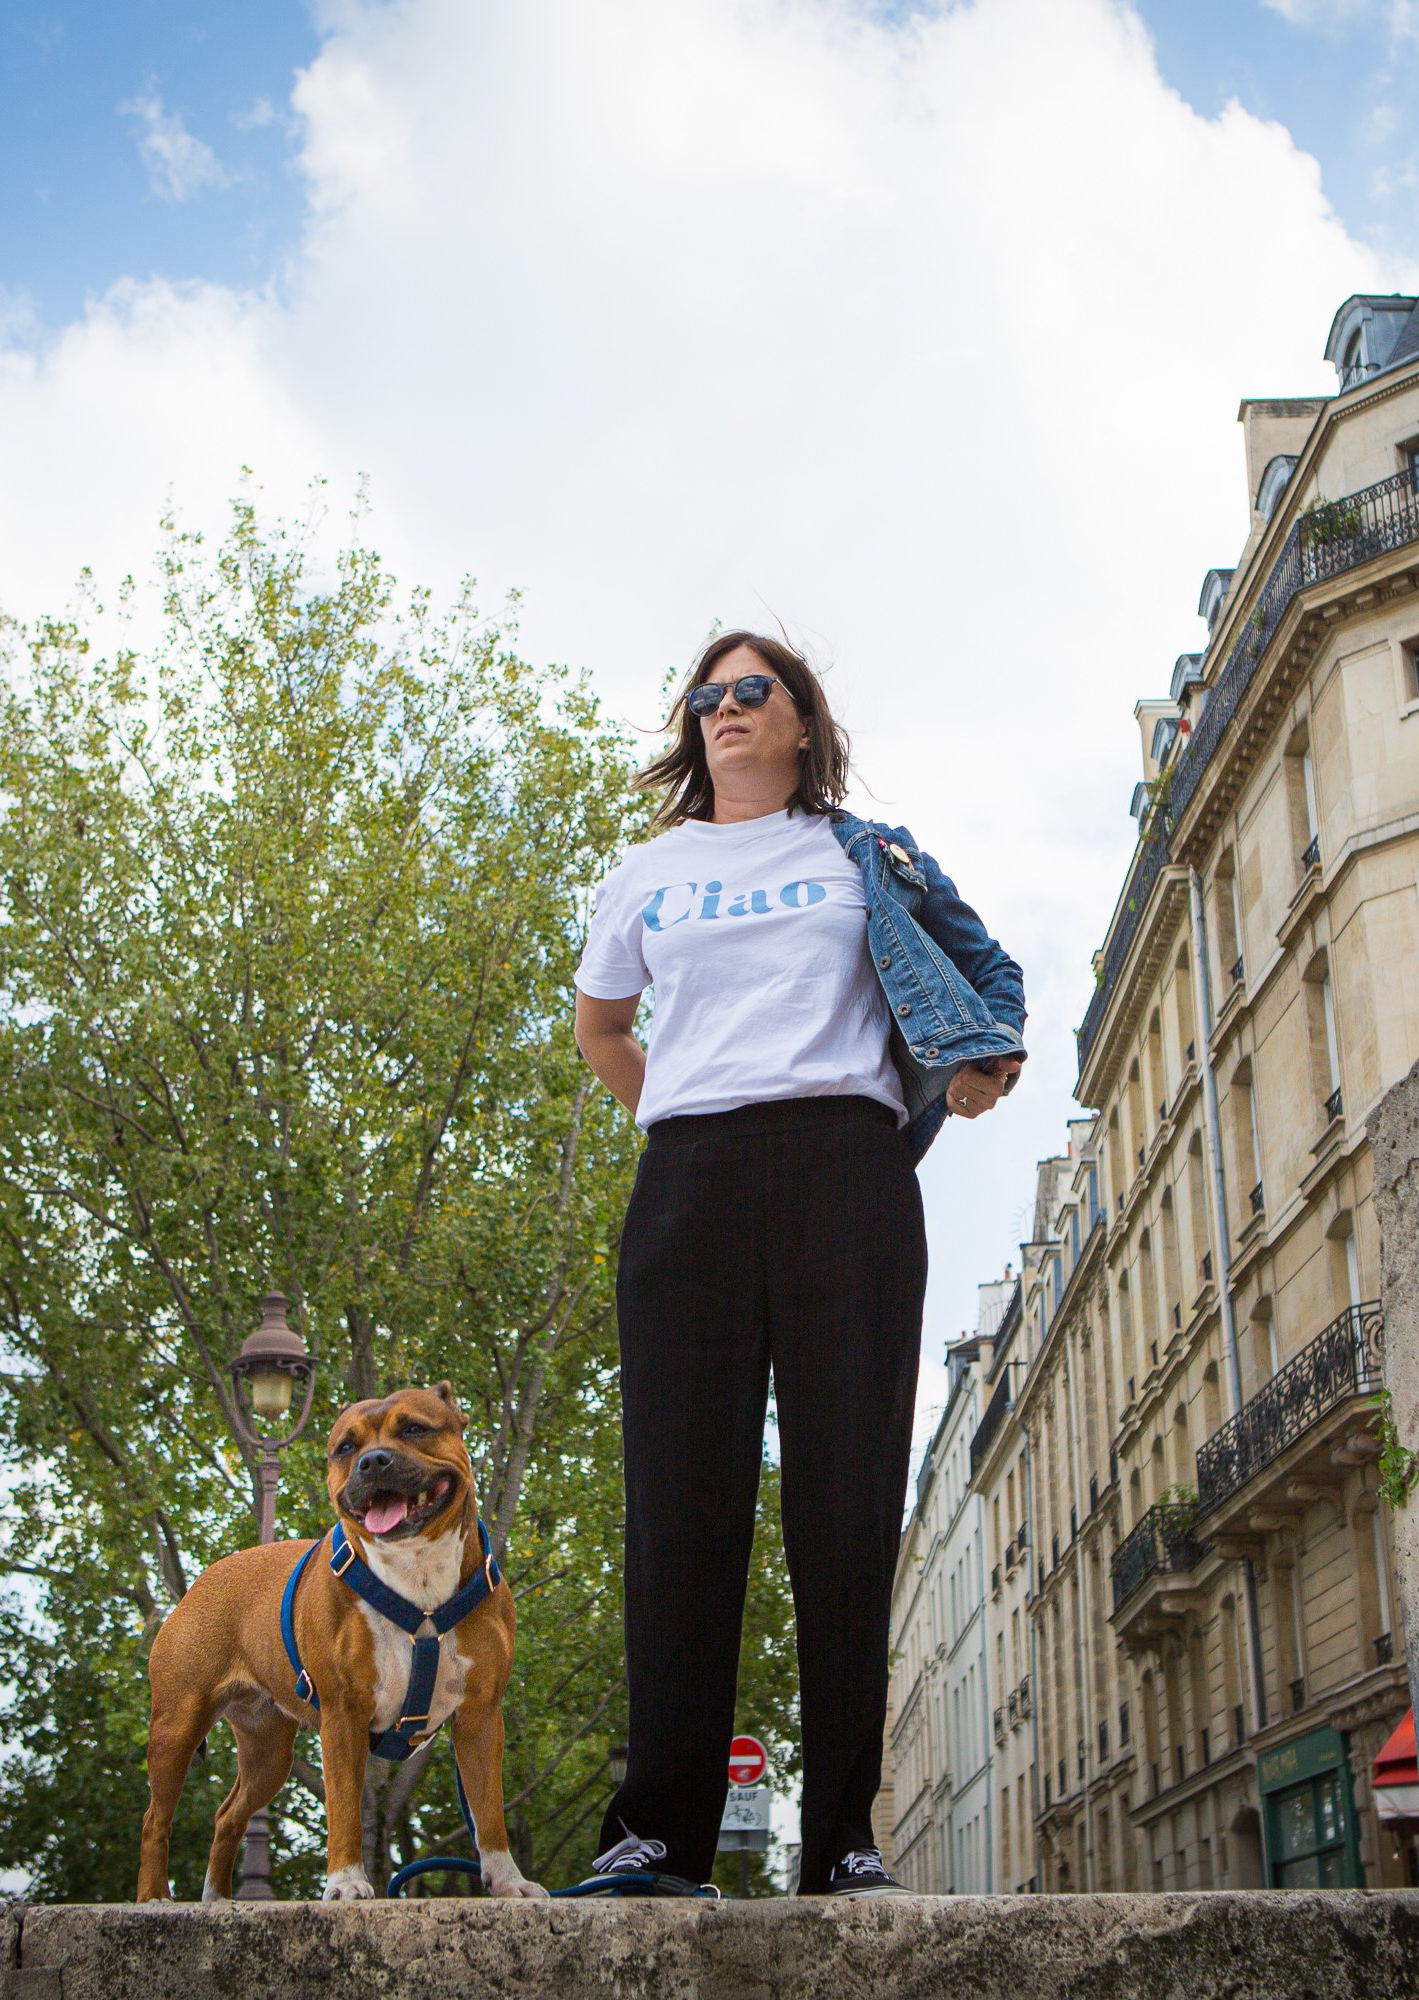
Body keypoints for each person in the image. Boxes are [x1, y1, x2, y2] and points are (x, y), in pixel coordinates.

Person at [573, 630, 1025, 1897]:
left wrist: (978, 1060)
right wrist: (682, 1105)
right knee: (678, 1505)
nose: (722, 711)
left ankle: (841, 1837)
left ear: (799, 721)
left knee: (843, 1503)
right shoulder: (648, 872)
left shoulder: (859, 853)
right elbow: (602, 1025)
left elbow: (986, 974)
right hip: (690, 1177)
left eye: (748, 691)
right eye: (704, 697)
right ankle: (654, 1833)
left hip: (846, 1164)